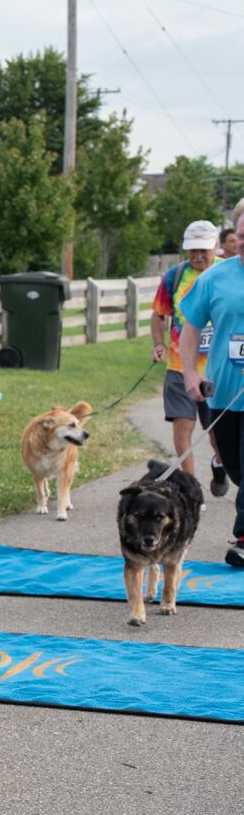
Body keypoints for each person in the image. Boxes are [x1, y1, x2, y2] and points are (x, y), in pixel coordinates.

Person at [181, 229, 244, 568]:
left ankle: (243, 539)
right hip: (223, 394)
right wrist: (190, 372)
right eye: (243, 234)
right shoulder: (215, 278)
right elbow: (191, 327)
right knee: (236, 468)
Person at [152, 220, 228, 495]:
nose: (197, 255)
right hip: (179, 368)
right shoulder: (174, 276)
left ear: (215, 247)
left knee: (217, 435)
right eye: (192, 250)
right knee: (182, 431)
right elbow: (158, 314)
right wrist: (159, 343)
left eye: (203, 250)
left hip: (217, 370)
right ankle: (192, 488)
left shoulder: (228, 273)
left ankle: (220, 463)